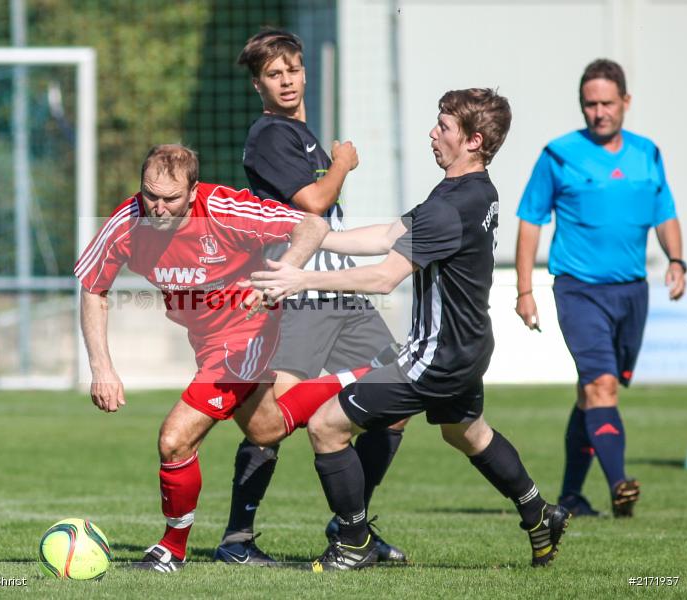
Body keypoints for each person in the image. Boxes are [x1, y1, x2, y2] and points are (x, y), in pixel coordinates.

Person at [247, 89, 570, 570]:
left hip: (433, 357)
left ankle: (353, 542)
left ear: (474, 140)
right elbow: (388, 234)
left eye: (443, 127)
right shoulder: (476, 191)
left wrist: (302, 277)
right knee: (466, 433)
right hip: (469, 346)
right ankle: (538, 512)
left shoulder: (449, 205)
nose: (432, 133)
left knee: (326, 426)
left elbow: (383, 276)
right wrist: (321, 237)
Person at [75, 144, 393, 572]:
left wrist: (284, 276)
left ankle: (171, 549)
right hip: (205, 340)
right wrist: (102, 367)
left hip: (246, 333)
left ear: (193, 192)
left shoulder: (226, 210)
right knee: (267, 428)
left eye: (170, 199)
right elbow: (94, 287)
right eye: (150, 194)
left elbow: (311, 224)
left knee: (174, 438)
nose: (158, 207)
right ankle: (366, 374)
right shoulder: (127, 221)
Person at [213, 27, 407, 566]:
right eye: (274, 75)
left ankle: (353, 528)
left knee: (395, 403)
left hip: (339, 294)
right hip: (303, 299)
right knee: (271, 422)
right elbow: (315, 203)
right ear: (258, 85)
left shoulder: (301, 134)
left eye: (293, 70)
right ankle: (237, 539)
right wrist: (343, 162)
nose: (287, 81)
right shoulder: (271, 135)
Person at [515, 59, 686, 519]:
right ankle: (619, 485)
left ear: (626, 102)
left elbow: (664, 211)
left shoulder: (647, 153)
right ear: (581, 106)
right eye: (590, 104)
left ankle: (571, 495)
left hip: (632, 292)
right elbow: (531, 220)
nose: (599, 112)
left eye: (607, 102)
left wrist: (676, 260)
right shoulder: (558, 154)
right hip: (578, 289)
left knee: (591, 393)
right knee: (601, 385)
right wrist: (524, 289)